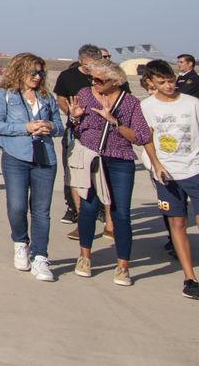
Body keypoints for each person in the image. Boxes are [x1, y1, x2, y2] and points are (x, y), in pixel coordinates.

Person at [66, 60, 152, 286]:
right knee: (89, 207)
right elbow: (76, 128)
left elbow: (141, 137)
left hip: (120, 160)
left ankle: (123, 265)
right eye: (92, 79)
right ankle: (85, 257)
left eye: (99, 80)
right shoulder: (85, 94)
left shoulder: (131, 103)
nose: (94, 83)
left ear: (116, 82)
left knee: (121, 212)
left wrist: (114, 122)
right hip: (91, 158)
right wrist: (74, 117)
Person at [0, 53, 63, 282]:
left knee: (41, 210)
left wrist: (49, 126)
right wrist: (26, 127)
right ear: (19, 71)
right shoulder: (5, 95)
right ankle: (21, 242)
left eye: (41, 73)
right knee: (17, 206)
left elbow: (61, 127)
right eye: (33, 72)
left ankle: (40, 257)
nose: (38, 77)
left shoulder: (47, 97)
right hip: (15, 156)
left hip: (44, 158)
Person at [139, 59, 199, 300]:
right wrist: (157, 165)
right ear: (151, 82)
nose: (168, 85)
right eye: (162, 82)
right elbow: (148, 139)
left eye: (171, 80)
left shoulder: (193, 103)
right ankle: (189, 277)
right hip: (167, 175)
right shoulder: (147, 107)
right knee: (177, 224)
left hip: (195, 169)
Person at [53, 43, 101, 225]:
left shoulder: (102, 76)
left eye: (95, 64)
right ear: (80, 60)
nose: (91, 69)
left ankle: (101, 210)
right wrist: (71, 114)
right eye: (88, 65)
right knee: (72, 173)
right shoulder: (68, 76)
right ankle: (75, 210)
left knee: (99, 175)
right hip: (76, 132)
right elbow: (61, 98)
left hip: (100, 133)